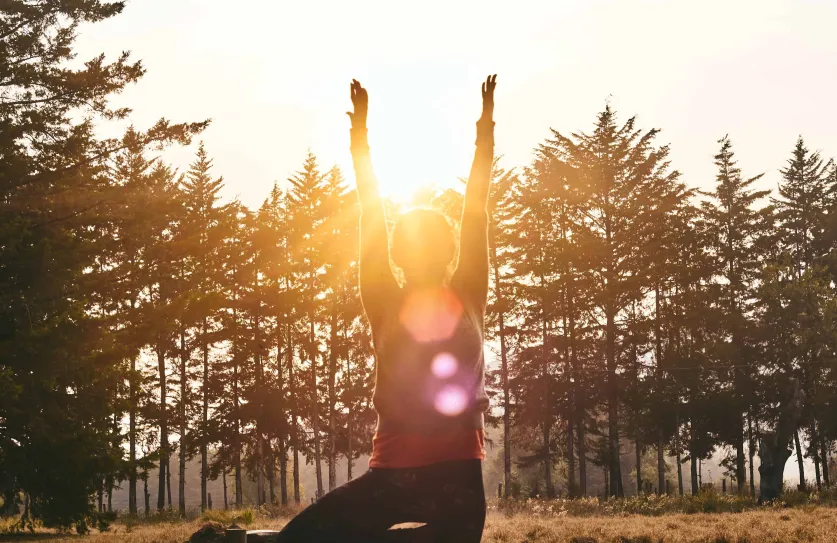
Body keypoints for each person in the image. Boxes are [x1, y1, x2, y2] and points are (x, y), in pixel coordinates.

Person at [277, 74, 497, 543]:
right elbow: (371, 215)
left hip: (455, 481)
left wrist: (485, 130)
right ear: (396, 255)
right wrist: (360, 140)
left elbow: (477, 207)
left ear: (450, 253)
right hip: (396, 475)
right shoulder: (384, 299)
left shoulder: (468, 292)